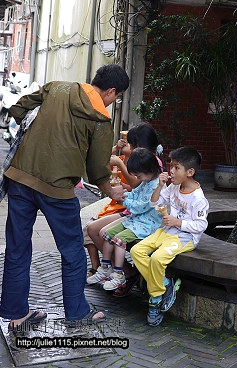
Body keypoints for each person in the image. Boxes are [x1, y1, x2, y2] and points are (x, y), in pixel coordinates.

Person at [0, 63, 129, 330]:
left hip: (20, 178)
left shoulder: (56, 88)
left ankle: (16, 314)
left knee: (17, 247)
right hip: (57, 190)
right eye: (117, 97)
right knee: (72, 251)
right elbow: (97, 170)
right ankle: (77, 312)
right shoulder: (100, 118)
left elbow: (18, 107)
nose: (114, 102)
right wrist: (113, 192)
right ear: (111, 91)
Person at [131, 146, 209, 326]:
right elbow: (154, 203)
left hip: (184, 237)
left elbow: (201, 225)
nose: (171, 171)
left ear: (190, 172)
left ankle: (155, 300)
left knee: (157, 258)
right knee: (136, 251)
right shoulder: (173, 187)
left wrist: (178, 222)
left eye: (176, 167)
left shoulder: (198, 199)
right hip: (165, 232)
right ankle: (164, 283)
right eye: (171, 166)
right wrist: (160, 185)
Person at [85, 121, 163, 291]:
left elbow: (137, 190)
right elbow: (136, 189)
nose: (130, 148)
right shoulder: (145, 166)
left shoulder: (150, 167)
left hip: (139, 216)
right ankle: (107, 268)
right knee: (93, 229)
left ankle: (121, 272)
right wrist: (123, 193)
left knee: (103, 232)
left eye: (132, 145)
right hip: (132, 212)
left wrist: (123, 197)